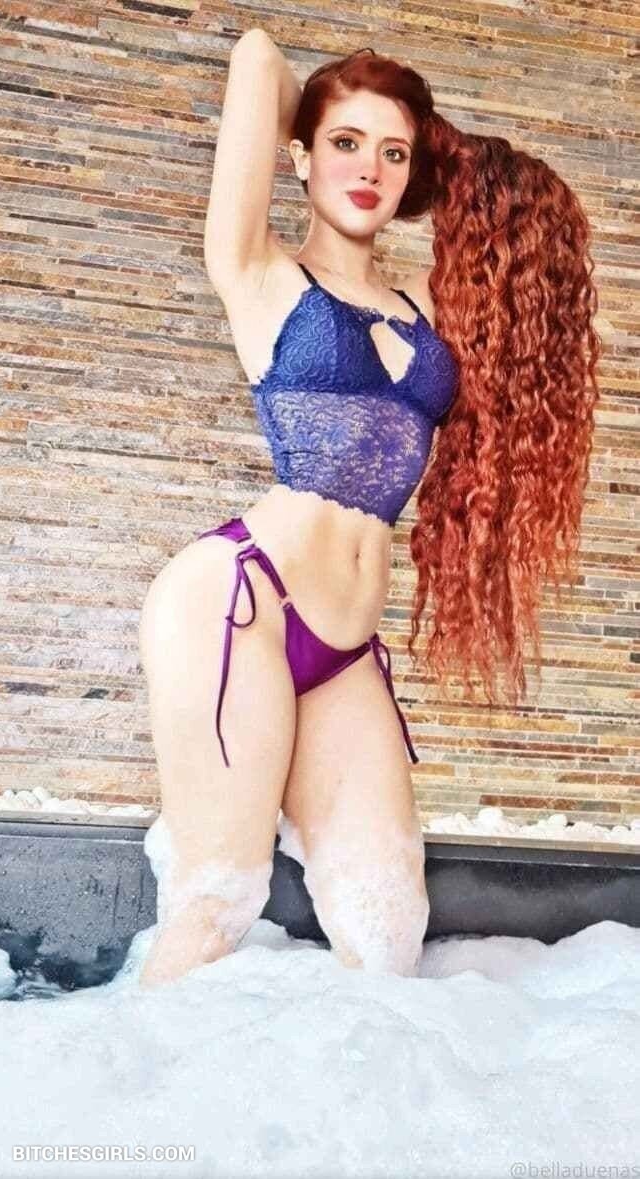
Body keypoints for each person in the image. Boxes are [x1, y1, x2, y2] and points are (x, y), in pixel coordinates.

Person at [137, 30, 600, 988]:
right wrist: (338, 110)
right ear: (300, 156)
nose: (369, 170)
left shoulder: (428, 304)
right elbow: (257, 57)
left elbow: (534, 235)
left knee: (389, 932)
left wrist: (450, 154)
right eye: (344, 144)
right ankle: (131, 1068)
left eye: (393, 154)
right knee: (217, 902)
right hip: (239, 604)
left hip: (344, 650)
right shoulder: (258, 272)